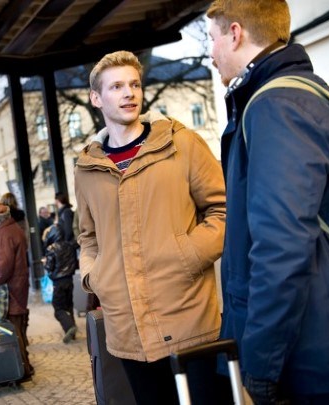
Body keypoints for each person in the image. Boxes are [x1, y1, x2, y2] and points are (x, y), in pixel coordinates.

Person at [206, 1, 329, 403]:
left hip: (327, 354)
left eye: (212, 38)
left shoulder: (277, 107)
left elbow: (281, 245)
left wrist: (259, 365)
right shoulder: (307, 93)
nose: (211, 53)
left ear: (236, 33)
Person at [74, 50, 227, 404]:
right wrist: (96, 278)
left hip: (188, 319)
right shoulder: (87, 168)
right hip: (127, 331)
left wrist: (187, 256)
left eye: (134, 84)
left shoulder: (181, 143)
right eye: (116, 87)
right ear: (96, 98)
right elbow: (88, 236)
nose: (129, 93)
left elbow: (221, 209)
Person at [0, 202, 34, 381]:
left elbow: (1, 269)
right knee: (17, 330)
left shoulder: (3, 235)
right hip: (16, 288)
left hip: (9, 292)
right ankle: (24, 367)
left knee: (13, 331)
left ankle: (22, 371)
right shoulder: (12, 229)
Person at [42, 221, 78, 343]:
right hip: (70, 280)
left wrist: (44, 263)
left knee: (58, 309)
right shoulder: (69, 245)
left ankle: (70, 327)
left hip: (58, 282)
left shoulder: (51, 248)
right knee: (69, 306)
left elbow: (49, 267)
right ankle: (72, 333)